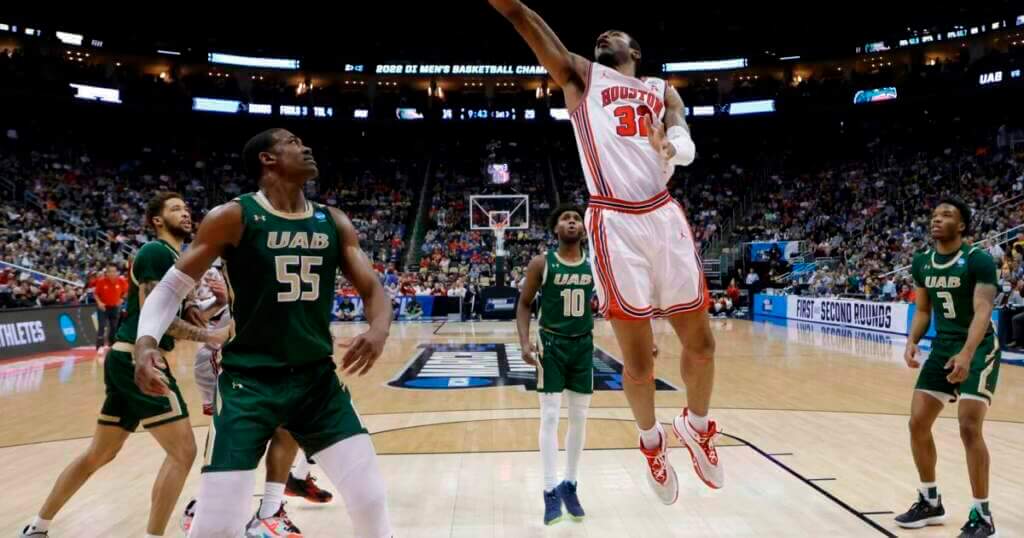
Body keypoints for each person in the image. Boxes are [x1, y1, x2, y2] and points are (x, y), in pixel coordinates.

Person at [491, 0, 721, 507]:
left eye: (615, 32)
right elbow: (526, 25)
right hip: (614, 219)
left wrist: (675, 147)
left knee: (701, 345)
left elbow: (682, 133)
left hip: (663, 214)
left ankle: (697, 425)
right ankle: (652, 442)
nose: (604, 35)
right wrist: (516, 8)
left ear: (635, 51)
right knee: (637, 363)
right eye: (600, 33)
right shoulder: (581, 77)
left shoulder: (660, 89)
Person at [132, 129, 392, 538]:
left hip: (316, 382)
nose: (306, 146)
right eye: (292, 142)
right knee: (215, 527)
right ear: (267, 160)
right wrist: (145, 341)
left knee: (371, 499)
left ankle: (274, 504)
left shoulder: (332, 220)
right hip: (247, 382)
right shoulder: (233, 217)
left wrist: (378, 330)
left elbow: (373, 289)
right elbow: (170, 288)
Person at [19, 192, 232, 538]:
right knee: (183, 451)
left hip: (126, 358)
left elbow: (169, 318)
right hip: (140, 358)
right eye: (175, 209)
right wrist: (211, 336)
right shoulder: (155, 252)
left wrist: (211, 310)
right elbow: (151, 314)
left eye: (186, 208)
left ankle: (37, 526)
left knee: (99, 453)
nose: (186, 213)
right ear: (157, 220)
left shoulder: (177, 258)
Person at [180, 260, 335, 535]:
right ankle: (206, 506)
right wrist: (224, 299)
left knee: (289, 421)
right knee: (240, 431)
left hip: (265, 351)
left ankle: (270, 506)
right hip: (226, 355)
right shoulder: (215, 262)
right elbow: (199, 315)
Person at [899, 198, 1000, 537]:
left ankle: (982, 515)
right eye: (934, 215)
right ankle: (930, 501)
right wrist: (912, 340)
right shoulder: (922, 262)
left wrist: (968, 353)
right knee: (917, 423)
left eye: (947, 215)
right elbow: (924, 310)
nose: (937, 220)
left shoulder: (978, 260)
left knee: (969, 427)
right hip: (943, 346)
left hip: (979, 345)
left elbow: (983, 309)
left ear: (962, 226)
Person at [516, 204, 594, 525]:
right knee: (549, 417)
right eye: (566, 219)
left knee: (579, 418)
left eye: (576, 219)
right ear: (556, 229)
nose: (572, 222)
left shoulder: (594, 266)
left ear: (584, 229)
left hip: (583, 345)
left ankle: (570, 484)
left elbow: (612, 305)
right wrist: (524, 342)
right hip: (550, 346)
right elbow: (523, 304)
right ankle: (549, 491)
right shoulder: (541, 263)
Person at [93, 264, 129, 353]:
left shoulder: (121, 281)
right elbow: (96, 294)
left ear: (117, 272)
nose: (112, 273)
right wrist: (100, 303)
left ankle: (111, 344)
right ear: (107, 273)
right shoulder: (101, 282)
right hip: (103, 307)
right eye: (110, 271)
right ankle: (100, 346)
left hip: (115, 307)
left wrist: (121, 299)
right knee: (102, 326)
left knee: (114, 327)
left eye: (114, 271)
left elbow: (126, 291)